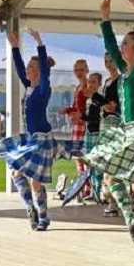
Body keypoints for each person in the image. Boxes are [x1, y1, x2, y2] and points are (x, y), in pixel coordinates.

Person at [82, 0, 134, 248]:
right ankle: (131, 220)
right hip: (126, 130)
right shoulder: (125, 71)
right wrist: (105, 18)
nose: (122, 46)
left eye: (127, 42)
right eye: (123, 43)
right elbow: (110, 45)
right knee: (112, 178)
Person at [0, 29, 79, 231]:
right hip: (30, 139)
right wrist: (14, 47)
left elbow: (45, 73)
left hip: (42, 140)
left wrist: (39, 42)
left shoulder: (43, 89)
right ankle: (31, 209)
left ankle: (44, 217)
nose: (26, 70)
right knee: (16, 173)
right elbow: (19, 68)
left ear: (38, 71)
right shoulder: (29, 87)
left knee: (36, 183)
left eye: (31, 66)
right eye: (28, 67)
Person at [60, 59, 90, 198]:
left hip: (85, 125)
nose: (79, 73)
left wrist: (77, 113)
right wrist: (67, 110)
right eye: (77, 70)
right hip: (77, 125)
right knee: (78, 157)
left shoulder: (88, 86)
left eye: (81, 70)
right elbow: (77, 106)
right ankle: (82, 185)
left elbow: (88, 108)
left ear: (86, 70)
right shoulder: (78, 87)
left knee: (85, 157)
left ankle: (87, 186)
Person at [82, 72, 106, 202]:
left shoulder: (99, 99)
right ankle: (92, 190)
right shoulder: (87, 99)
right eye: (89, 82)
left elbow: (95, 118)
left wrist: (81, 117)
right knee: (88, 164)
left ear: (99, 84)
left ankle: (98, 190)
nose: (90, 84)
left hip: (97, 135)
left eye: (94, 82)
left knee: (98, 164)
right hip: (88, 134)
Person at [101, 53, 121, 217]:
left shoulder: (120, 81)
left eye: (111, 61)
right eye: (106, 61)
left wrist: (115, 109)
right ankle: (111, 199)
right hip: (106, 123)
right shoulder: (107, 82)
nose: (108, 64)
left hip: (116, 122)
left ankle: (117, 200)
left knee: (115, 162)